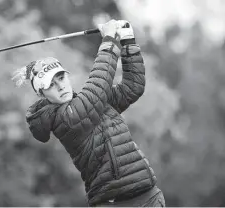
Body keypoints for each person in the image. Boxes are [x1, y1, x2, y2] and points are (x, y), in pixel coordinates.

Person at [12, 19, 166, 207]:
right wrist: (109, 40)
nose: (60, 86)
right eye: (51, 85)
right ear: (41, 93)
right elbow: (97, 88)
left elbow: (132, 87)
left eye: (61, 78)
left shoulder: (93, 101)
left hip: (148, 197)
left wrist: (128, 42)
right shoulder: (63, 119)